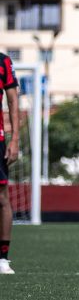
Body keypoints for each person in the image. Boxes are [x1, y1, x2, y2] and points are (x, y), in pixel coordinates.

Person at [0, 52, 19, 275]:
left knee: (2, 196)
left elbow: (13, 100)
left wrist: (14, 139)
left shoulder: (3, 61)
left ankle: (3, 258)